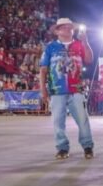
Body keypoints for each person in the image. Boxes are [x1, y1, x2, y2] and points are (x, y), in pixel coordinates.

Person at [39, 18, 95, 160]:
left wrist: (85, 42)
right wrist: (42, 89)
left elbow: (89, 59)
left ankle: (87, 146)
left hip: (77, 89)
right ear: (57, 31)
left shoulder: (79, 44)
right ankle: (62, 148)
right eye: (63, 27)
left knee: (83, 119)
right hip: (57, 90)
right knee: (58, 121)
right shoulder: (50, 47)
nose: (67, 29)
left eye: (70, 27)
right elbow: (43, 70)